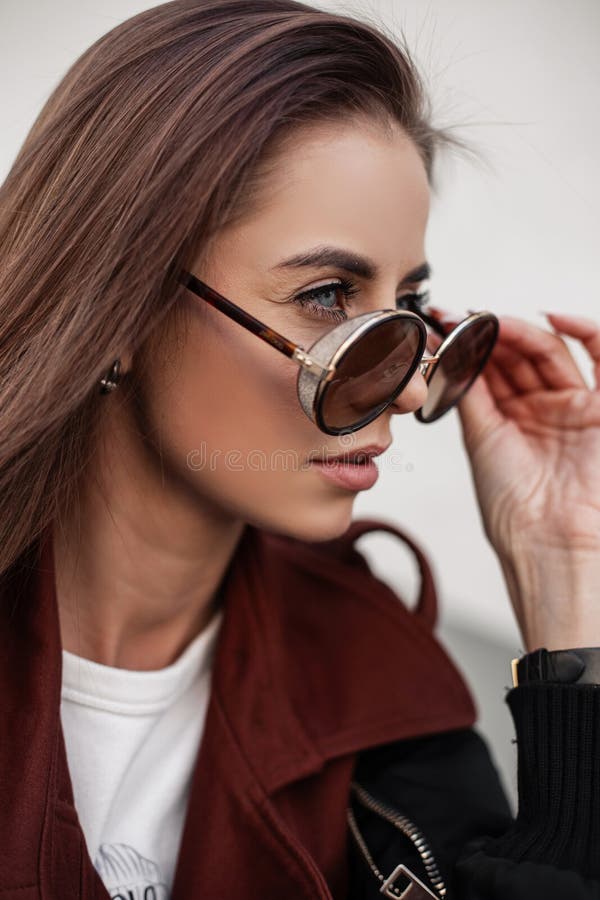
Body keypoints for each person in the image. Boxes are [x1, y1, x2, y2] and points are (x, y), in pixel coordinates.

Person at [0, 1, 599, 898]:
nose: (406, 385)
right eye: (327, 296)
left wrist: (568, 572)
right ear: (116, 308)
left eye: (408, 308)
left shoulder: (377, 682)